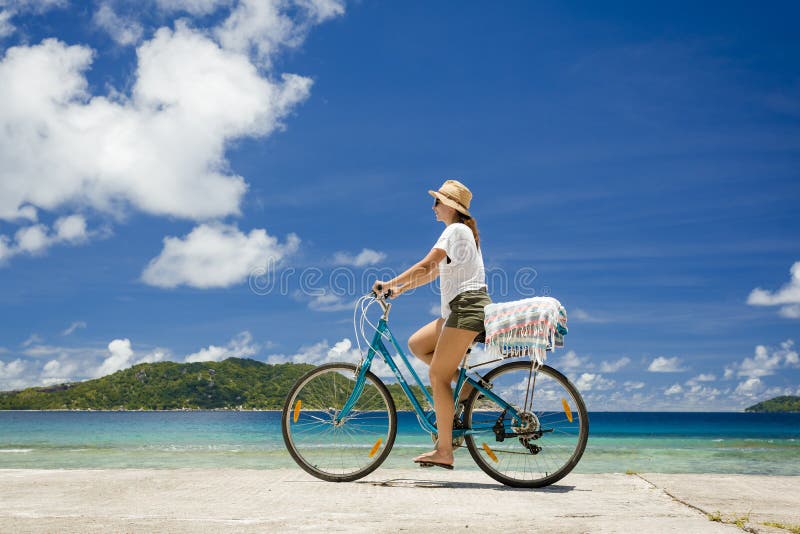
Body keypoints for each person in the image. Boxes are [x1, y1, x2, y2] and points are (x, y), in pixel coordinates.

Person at [372, 179, 491, 470]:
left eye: (437, 201)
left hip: (466, 309)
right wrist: (398, 291)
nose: (433, 207)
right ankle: (465, 392)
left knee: (438, 376)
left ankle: (444, 451)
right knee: (417, 344)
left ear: (449, 205)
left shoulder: (455, 230)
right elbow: (432, 273)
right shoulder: (462, 233)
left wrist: (389, 282)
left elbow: (426, 264)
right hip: (459, 311)